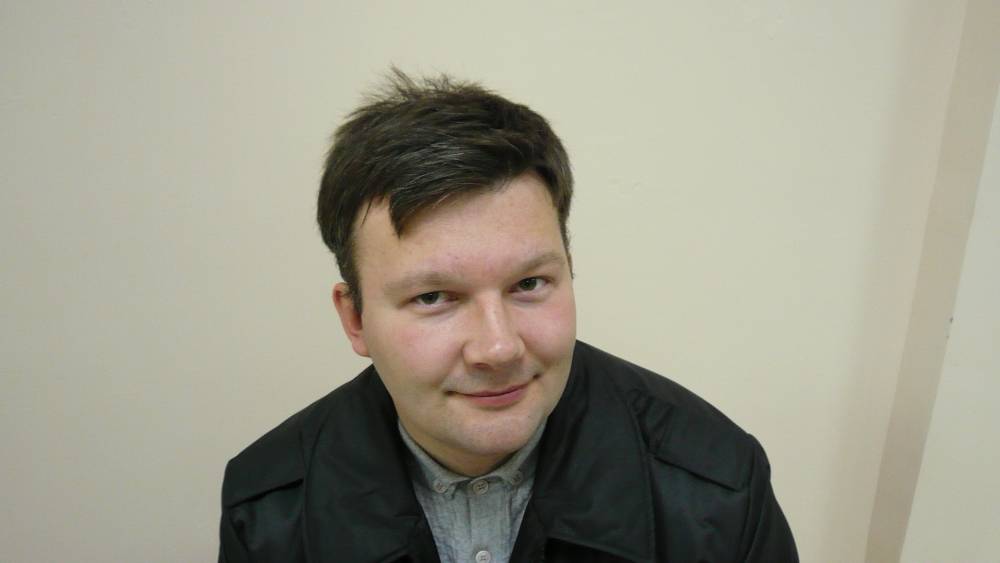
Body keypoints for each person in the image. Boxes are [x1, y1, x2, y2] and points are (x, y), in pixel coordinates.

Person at [218, 70, 798, 563]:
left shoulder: (719, 490)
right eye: (433, 297)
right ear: (355, 319)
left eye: (528, 284)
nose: (498, 349)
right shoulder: (267, 512)